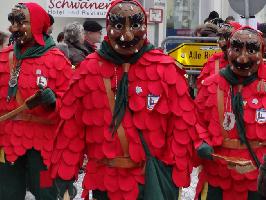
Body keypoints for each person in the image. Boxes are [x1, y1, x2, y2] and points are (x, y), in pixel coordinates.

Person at [50, 0, 197, 199]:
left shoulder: (166, 69)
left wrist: (174, 174)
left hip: (151, 181)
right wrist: (64, 173)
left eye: (135, 25)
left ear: (144, 26)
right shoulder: (88, 70)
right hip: (106, 181)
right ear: (108, 27)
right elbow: (71, 128)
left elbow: (181, 126)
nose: (127, 35)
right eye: (118, 26)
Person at [0, 3, 72, 200]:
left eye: (21, 22)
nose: (13, 28)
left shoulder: (58, 61)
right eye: (12, 22)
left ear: (38, 24)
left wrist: (53, 101)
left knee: (46, 192)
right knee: (7, 193)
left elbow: (71, 104)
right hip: (8, 142)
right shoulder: (3, 58)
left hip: (44, 145)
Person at [194, 26, 266, 200]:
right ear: (228, 50)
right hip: (218, 175)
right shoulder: (210, 85)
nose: (242, 57)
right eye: (236, 49)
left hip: (257, 178)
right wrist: (201, 141)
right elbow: (195, 121)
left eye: (251, 50)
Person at [197, 21, 242, 89]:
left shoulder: (249, 63)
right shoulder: (213, 61)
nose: (222, 43)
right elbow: (203, 90)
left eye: (227, 38)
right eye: (220, 38)